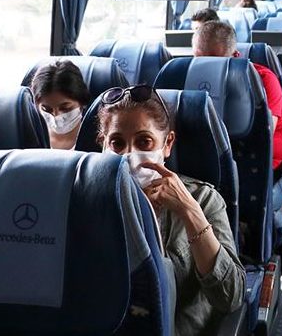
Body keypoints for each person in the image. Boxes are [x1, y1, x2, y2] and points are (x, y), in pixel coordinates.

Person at [96, 84, 245, 334]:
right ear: (103, 145)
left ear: (167, 144)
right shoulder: (89, 200)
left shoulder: (202, 199)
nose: (129, 154)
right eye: (117, 143)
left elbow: (230, 296)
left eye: (144, 141)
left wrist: (190, 211)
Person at [193, 21, 282, 170]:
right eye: (200, 60)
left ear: (235, 56)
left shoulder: (264, 80)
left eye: (215, 62)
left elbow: (264, 135)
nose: (207, 69)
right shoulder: (190, 77)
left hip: (259, 163)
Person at [30, 60, 91, 150]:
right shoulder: (30, 137)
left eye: (65, 108)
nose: (56, 116)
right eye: (47, 109)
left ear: (82, 102)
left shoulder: (98, 138)